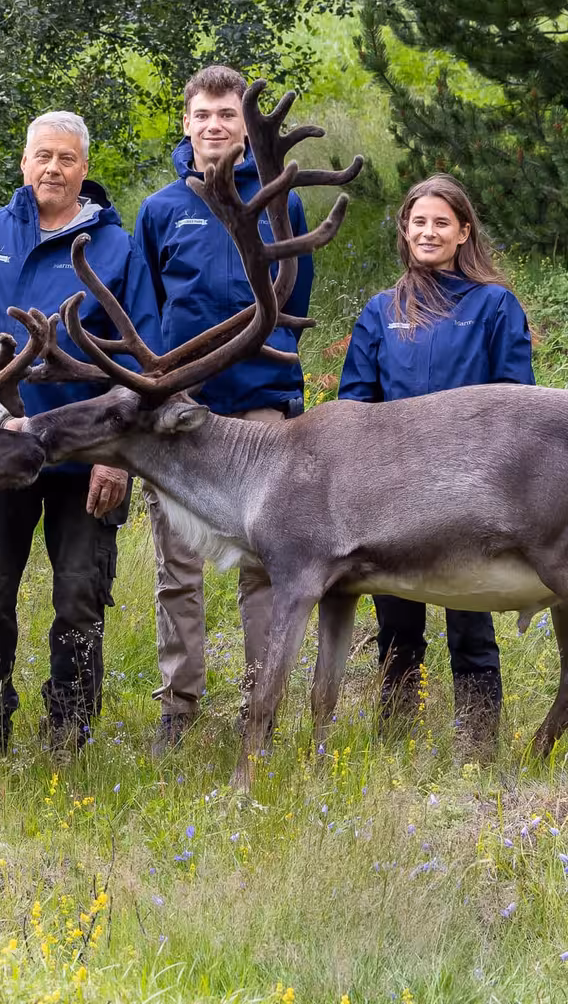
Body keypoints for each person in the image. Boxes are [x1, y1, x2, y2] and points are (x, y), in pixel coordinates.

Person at [0, 111, 161, 759]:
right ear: (23, 162)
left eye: (66, 159)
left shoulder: (117, 248)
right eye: (42, 156)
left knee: (79, 601)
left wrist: (118, 453)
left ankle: (68, 737)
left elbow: (143, 360)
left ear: (84, 169)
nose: (53, 168)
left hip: (86, 457)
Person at [133, 64, 314, 755]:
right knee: (177, 565)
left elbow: (294, 304)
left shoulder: (280, 201)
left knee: (263, 565)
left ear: (245, 125)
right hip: (182, 413)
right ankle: (178, 706)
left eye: (228, 115)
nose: (214, 125)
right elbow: (147, 311)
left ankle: (258, 706)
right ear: (187, 124)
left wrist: (284, 388)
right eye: (203, 114)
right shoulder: (160, 209)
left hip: (258, 413)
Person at [339, 173, 534, 749]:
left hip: (470, 494)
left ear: (463, 232)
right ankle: (397, 740)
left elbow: (516, 403)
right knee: (397, 625)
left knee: (470, 623)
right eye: (418, 222)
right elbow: (355, 404)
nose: (428, 231)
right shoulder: (380, 311)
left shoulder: (496, 305)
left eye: (441, 223)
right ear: (405, 230)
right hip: (392, 496)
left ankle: (477, 743)